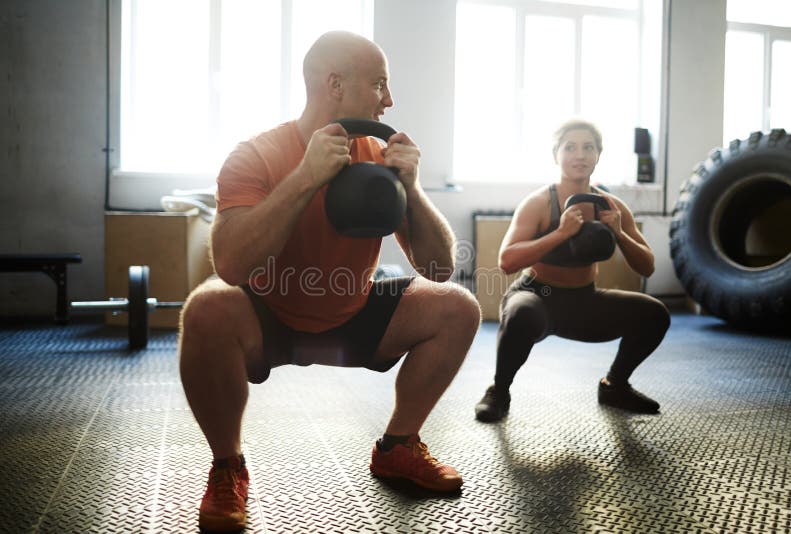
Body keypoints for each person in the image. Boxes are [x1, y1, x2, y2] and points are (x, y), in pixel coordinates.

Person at [179, 31, 481, 532]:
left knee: (458, 305)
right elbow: (231, 265)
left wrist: (413, 189)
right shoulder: (256, 155)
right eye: (380, 85)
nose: (390, 100)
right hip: (270, 314)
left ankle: (398, 446)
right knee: (206, 307)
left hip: (353, 311)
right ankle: (227, 466)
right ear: (335, 84)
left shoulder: (380, 155)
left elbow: (439, 269)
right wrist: (305, 177)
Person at [474, 118, 670, 423]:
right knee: (521, 312)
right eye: (570, 147)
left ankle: (614, 385)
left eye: (588, 147)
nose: (580, 155)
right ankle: (499, 391)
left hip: (584, 302)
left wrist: (619, 232)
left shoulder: (612, 206)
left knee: (654, 313)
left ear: (598, 155)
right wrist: (560, 233)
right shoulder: (539, 203)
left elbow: (647, 265)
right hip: (538, 296)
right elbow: (507, 261)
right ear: (557, 155)